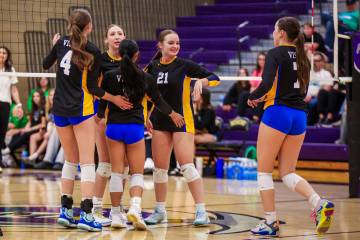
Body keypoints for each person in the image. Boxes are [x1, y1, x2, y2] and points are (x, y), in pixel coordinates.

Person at [43, 9, 131, 232]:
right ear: (89, 27)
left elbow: (46, 64)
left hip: (60, 109)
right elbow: (93, 89)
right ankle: (87, 214)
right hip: (80, 110)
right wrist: (113, 98)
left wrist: (54, 45)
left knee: (70, 161)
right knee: (87, 163)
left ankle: (65, 211)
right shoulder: (92, 51)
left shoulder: (61, 42)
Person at [247, 17, 334, 236]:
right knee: (287, 173)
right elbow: (304, 92)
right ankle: (318, 203)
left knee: (264, 171)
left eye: (275, 29)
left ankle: (270, 223)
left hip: (277, 113)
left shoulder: (275, 53)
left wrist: (254, 97)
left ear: (282, 33)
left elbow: (266, 84)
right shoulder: (303, 56)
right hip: (299, 116)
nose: (274, 33)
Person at [97, 39, 184, 229]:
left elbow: (103, 104)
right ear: (137, 55)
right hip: (134, 128)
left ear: (119, 54)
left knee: (117, 173)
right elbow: (159, 101)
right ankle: (135, 208)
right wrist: (173, 114)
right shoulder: (145, 78)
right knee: (137, 173)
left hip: (113, 128)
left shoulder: (110, 76)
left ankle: (116, 216)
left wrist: (97, 118)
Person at [145, 29, 220, 226]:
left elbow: (215, 77)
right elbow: (144, 95)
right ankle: (160, 211)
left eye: (178, 43)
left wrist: (200, 82)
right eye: (171, 43)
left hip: (182, 122)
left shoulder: (185, 65)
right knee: (159, 170)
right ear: (160, 45)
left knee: (187, 166)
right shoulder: (151, 67)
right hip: (160, 122)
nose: (175, 46)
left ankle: (201, 211)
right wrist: (145, 116)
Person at [92, 24, 128, 227]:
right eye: (112, 34)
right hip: (103, 114)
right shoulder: (101, 60)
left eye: (120, 34)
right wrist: (112, 100)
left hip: (124, 116)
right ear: (106, 40)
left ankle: (118, 208)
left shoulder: (128, 59)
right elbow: (94, 88)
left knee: (123, 165)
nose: (116, 37)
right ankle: (96, 208)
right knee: (105, 163)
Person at [2, 90, 46, 165]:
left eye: (37, 96)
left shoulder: (43, 109)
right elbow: (30, 122)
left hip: (38, 130)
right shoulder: (34, 109)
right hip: (30, 129)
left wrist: (29, 129)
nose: (35, 98)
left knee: (25, 134)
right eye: (34, 96)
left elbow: (42, 124)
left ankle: (8, 149)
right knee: (19, 133)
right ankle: (9, 149)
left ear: (41, 97)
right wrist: (25, 129)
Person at [0, 46, 22, 173]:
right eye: (0, 52)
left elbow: (14, 89)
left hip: (5, 104)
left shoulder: (10, 69)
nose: (2, 54)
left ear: (7, 56)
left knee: (2, 134)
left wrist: (19, 105)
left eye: (4, 53)